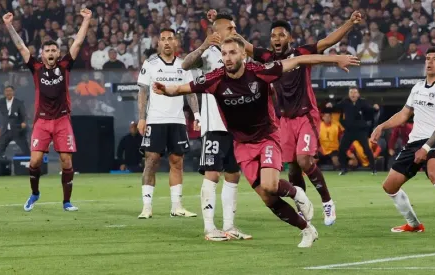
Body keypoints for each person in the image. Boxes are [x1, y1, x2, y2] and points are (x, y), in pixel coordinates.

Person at [153, 37, 360, 247]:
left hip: (267, 137)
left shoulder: (260, 71)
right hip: (242, 145)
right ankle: (307, 230)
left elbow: (299, 61)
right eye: (224, 54)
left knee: (270, 184)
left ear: (243, 54)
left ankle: (297, 192)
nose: (227, 58)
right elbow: (180, 89)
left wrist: (336, 59)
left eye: (232, 52)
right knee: (267, 198)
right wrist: (165, 89)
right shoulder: (215, 79)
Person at [236, 12, 362, 226]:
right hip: (284, 120)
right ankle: (302, 206)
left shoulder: (301, 53)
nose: (276, 39)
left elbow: (328, 41)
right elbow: (244, 46)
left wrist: (349, 22)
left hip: (306, 115)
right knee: (293, 167)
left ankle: (327, 201)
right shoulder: (268, 58)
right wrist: (226, 29)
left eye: (281, 35)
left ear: (290, 38)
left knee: (304, 160)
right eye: (274, 35)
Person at [370, 47, 435, 235]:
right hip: (414, 141)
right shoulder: (417, 88)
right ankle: (414, 224)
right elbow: (404, 114)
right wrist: (381, 126)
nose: (429, 62)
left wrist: (426, 147)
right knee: (389, 186)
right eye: (427, 59)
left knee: (434, 173)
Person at [3, 9, 93, 212]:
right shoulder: (35, 67)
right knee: (34, 161)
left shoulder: (64, 66)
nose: (51, 54)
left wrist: (86, 20)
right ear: (42, 54)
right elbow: (20, 46)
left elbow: (77, 42)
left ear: (58, 53)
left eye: (54, 50)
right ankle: (35, 193)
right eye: (48, 51)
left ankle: (66, 202)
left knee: (66, 161)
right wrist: (9, 25)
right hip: (42, 121)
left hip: (62, 119)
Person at [181, 12, 251, 241]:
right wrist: (203, 44)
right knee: (212, 174)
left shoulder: (241, 54)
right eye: (230, 28)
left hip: (237, 127)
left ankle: (229, 226)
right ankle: (210, 228)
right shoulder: (210, 54)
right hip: (215, 126)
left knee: (233, 174)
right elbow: (185, 64)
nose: (235, 30)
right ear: (218, 31)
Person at [136, 28, 197, 219]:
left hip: (177, 120)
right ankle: (147, 207)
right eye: (163, 39)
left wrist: (197, 114)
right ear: (159, 44)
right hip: (155, 119)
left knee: (177, 162)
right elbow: (143, 92)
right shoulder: (150, 64)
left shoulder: (183, 65)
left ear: (176, 42)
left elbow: (191, 92)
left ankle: (177, 206)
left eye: (170, 38)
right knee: (151, 161)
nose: (167, 42)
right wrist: (142, 117)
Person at [326, 87, 379, 175]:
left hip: (360, 131)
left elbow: (371, 110)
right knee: (342, 149)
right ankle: (343, 169)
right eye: (351, 92)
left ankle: (374, 169)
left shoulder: (362, 102)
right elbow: (336, 107)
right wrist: (330, 106)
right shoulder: (345, 102)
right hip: (349, 131)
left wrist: (376, 108)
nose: (353, 94)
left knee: (367, 149)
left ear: (358, 94)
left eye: (355, 92)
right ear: (349, 94)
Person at [0, 86, 30, 159]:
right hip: (5, 131)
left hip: (17, 130)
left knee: (25, 150)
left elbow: (24, 115)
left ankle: (30, 167)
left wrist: (24, 122)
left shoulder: (18, 102)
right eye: (6, 91)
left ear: (13, 92)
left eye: (10, 91)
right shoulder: (2, 101)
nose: (8, 93)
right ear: (4, 92)